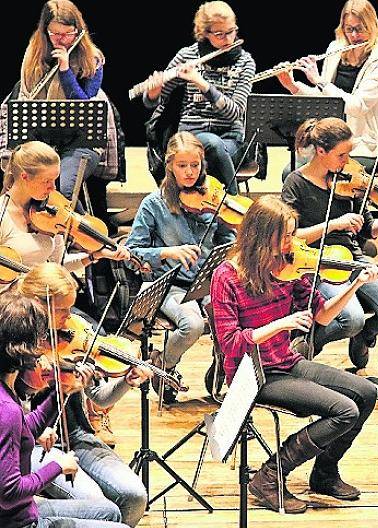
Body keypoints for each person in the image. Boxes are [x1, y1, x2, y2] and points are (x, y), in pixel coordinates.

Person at [210, 195, 378, 513]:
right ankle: (270, 475)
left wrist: (354, 285)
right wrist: (281, 324)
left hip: (286, 361)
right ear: (262, 237)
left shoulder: (289, 266)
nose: (293, 241)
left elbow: (324, 315)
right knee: (345, 410)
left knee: (367, 392)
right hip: (254, 372)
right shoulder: (227, 277)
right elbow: (231, 343)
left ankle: (325, 472)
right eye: (285, 235)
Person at [15, 263, 150, 527]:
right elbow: (11, 416)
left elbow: (100, 398)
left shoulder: (74, 334)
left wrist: (126, 381)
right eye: (62, 309)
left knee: (134, 496)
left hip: (77, 435)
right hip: (37, 445)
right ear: (37, 305)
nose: (70, 317)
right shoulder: (17, 345)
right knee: (99, 505)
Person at [282, 117, 378, 369]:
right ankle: (306, 345)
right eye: (341, 155)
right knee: (351, 318)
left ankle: (365, 334)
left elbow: (370, 229)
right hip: (319, 264)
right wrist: (334, 224)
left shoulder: (348, 181)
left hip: (355, 260)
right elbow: (290, 237)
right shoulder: (296, 183)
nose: (347, 161)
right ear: (321, 151)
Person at [0, 293, 129, 528]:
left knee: (109, 511)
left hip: (22, 511)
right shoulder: (6, 408)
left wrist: (61, 392)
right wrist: (58, 466)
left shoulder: (5, 391)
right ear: (26, 349)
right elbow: (9, 492)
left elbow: (23, 429)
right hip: (18, 522)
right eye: (40, 340)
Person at [126, 131, 236, 403]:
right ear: (170, 166)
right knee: (193, 324)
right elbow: (132, 251)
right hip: (170, 284)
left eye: (195, 166)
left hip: (208, 282)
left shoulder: (212, 198)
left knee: (235, 319)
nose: (189, 173)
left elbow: (227, 238)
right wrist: (167, 252)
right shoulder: (154, 203)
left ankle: (224, 368)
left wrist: (229, 251)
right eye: (182, 166)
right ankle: (163, 364)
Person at [0, 0, 121, 218]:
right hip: (43, 140)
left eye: (68, 34)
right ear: (45, 31)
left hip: (83, 143)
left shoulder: (93, 59)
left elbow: (85, 102)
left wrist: (65, 70)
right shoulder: (34, 56)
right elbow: (27, 96)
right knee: (30, 181)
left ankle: (86, 235)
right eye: (54, 34)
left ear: (79, 31)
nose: (61, 40)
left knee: (65, 189)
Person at [276, 0, 378, 179]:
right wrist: (293, 86)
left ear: (372, 25)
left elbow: (358, 106)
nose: (354, 35)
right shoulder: (336, 50)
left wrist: (319, 81)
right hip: (329, 141)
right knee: (291, 173)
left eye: (360, 28)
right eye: (349, 29)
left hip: (363, 146)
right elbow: (324, 102)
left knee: (324, 177)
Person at [141, 1, 255, 195]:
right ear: (205, 33)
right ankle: (232, 208)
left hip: (230, 139)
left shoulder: (245, 62)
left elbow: (235, 113)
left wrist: (202, 83)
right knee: (206, 146)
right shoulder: (188, 56)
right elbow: (152, 102)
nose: (227, 39)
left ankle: (230, 206)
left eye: (231, 31)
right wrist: (154, 90)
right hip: (190, 137)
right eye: (219, 34)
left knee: (213, 146)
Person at [0, 141, 130, 271]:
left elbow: (58, 267)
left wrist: (96, 255)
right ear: (24, 177)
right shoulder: (2, 214)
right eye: (46, 181)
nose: (53, 188)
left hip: (44, 288)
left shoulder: (49, 210)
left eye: (54, 179)